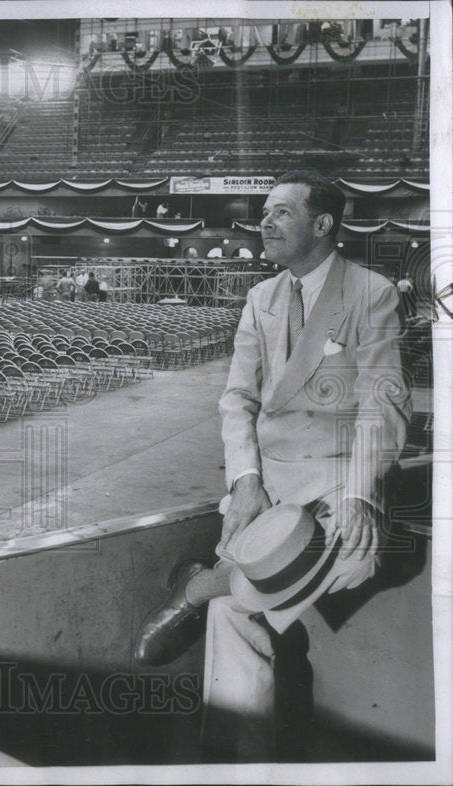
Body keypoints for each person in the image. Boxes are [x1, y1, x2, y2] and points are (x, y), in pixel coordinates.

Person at [133, 170, 410, 761]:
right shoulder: (261, 298)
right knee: (238, 613)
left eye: (281, 212)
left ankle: (200, 588)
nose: (265, 221)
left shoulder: (372, 292)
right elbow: (239, 399)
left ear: (323, 224)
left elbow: (384, 401)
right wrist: (247, 481)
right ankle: (234, 761)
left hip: (341, 484)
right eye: (264, 212)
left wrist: (362, 492)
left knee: (259, 596)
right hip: (271, 490)